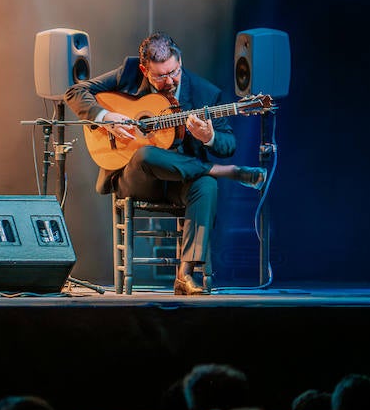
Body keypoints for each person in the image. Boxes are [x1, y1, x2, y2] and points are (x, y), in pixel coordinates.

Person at [65, 32, 266, 295]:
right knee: (146, 153)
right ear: (143, 70)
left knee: (206, 186)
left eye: (174, 72)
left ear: (179, 62)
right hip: (137, 179)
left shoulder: (205, 93)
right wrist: (106, 117)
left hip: (179, 184)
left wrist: (210, 137)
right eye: (160, 76)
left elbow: (228, 144)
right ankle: (221, 172)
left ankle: (185, 274)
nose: (169, 81)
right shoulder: (128, 73)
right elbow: (75, 91)